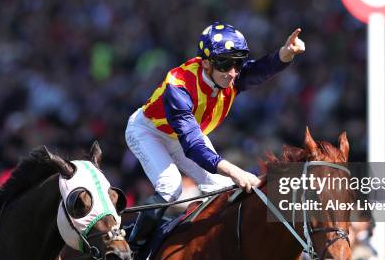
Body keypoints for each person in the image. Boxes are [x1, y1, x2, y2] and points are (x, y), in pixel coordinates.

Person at [125, 22, 305, 247]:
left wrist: (286, 53)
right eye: (225, 64)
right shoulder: (178, 86)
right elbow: (193, 146)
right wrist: (235, 171)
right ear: (206, 63)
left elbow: (259, 70)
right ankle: (133, 247)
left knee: (222, 189)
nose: (232, 73)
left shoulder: (230, 75)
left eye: (237, 64)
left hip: (183, 136)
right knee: (171, 187)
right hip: (149, 132)